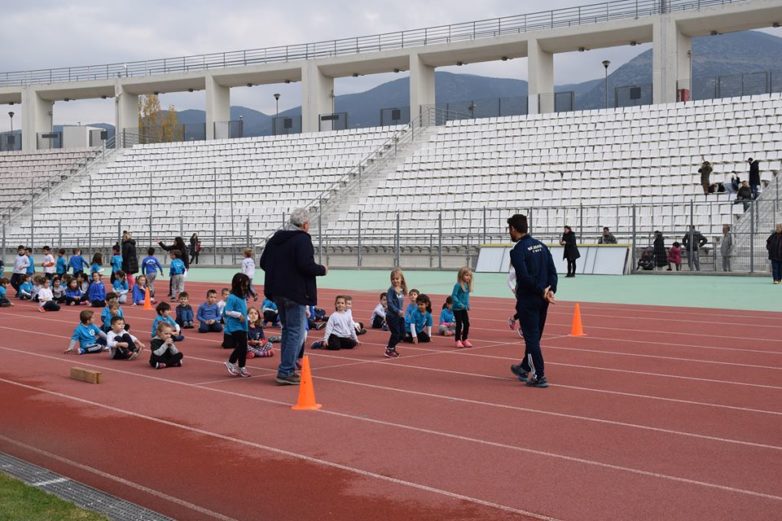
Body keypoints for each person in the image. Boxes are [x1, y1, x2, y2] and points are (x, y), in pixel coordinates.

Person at [260, 208, 327, 385]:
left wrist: (280, 273)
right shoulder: (302, 240)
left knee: (287, 329)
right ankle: (286, 370)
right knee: (296, 332)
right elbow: (306, 265)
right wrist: (322, 269)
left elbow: (263, 263)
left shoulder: (275, 239)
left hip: (276, 291)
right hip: (295, 292)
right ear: (305, 225)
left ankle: (286, 367)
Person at [507, 214, 557, 388]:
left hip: (529, 300)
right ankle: (524, 367)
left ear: (513, 229)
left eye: (509, 229)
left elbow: (524, 278)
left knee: (531, 338)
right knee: (535, 337)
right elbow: (552, 271)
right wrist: (550, 291)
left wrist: (540, 291)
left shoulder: (517, 251)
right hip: (543, 300)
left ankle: (539, 375)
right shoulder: (542, 246)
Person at [223, 273, 252, 378]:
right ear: (237, 284)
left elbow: (243, 310)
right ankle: (232, 363)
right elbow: (227, 311)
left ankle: (241, 366)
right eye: (244, 285)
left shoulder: (243, 297)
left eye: (246, 285)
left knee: (243, 347)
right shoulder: (232, 297)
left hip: (243, 325)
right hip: (234, 325)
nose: (245, 287)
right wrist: (238, 314)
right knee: (243, 345)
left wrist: (248, 319)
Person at [384, 268, 407, 358]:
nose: (395, 280)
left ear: (401, 279)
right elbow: (389, 303)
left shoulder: (401, 289)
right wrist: (397, 311)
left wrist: (401, 312)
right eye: (393, 279)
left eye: (397, 278)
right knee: (396, 333)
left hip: (399, 316)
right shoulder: (391, 290)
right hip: (392, 316)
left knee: (402, 334)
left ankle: (391, 347)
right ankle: (389, 349)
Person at [451, 267, 473, 348]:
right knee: (459, 324)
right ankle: (458, 340)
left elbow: (466, 297)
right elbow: (453, 296)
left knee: (467, 324)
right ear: (461, 275)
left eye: (470, 276)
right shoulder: (458, 285)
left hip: (464, 308)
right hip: (457, 308)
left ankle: (465, 339)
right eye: (467, 275)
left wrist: (468, 305)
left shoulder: (467, 285)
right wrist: (460, 304)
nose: (468, 277)